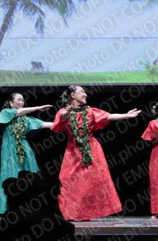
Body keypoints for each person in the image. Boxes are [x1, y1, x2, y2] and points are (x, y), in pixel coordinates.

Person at [51, 85, 139, 221]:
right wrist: (69, 111)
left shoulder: (90, 111)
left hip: (92, 150)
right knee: (68, 180)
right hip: (73, 151)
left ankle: (86, 214)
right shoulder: (63, 111)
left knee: (91, 182)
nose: (85, 94)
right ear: (72, 95)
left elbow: (108, 116)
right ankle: (69, 213)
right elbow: (62, 118)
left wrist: (126, 115)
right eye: (82, 92)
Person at [0, 93, 53, 215]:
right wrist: (38, 108)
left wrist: (66, 119)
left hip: (26, 151)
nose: (21, 102)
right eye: (19, 100)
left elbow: (47, 124)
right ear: (11, 103)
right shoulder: (5, 113)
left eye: (23, 100)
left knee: (30, 175)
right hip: (10, 151)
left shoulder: (27, 120)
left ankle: (34, 206)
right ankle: (9, 208)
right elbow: (18, 112)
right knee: (11, 174)